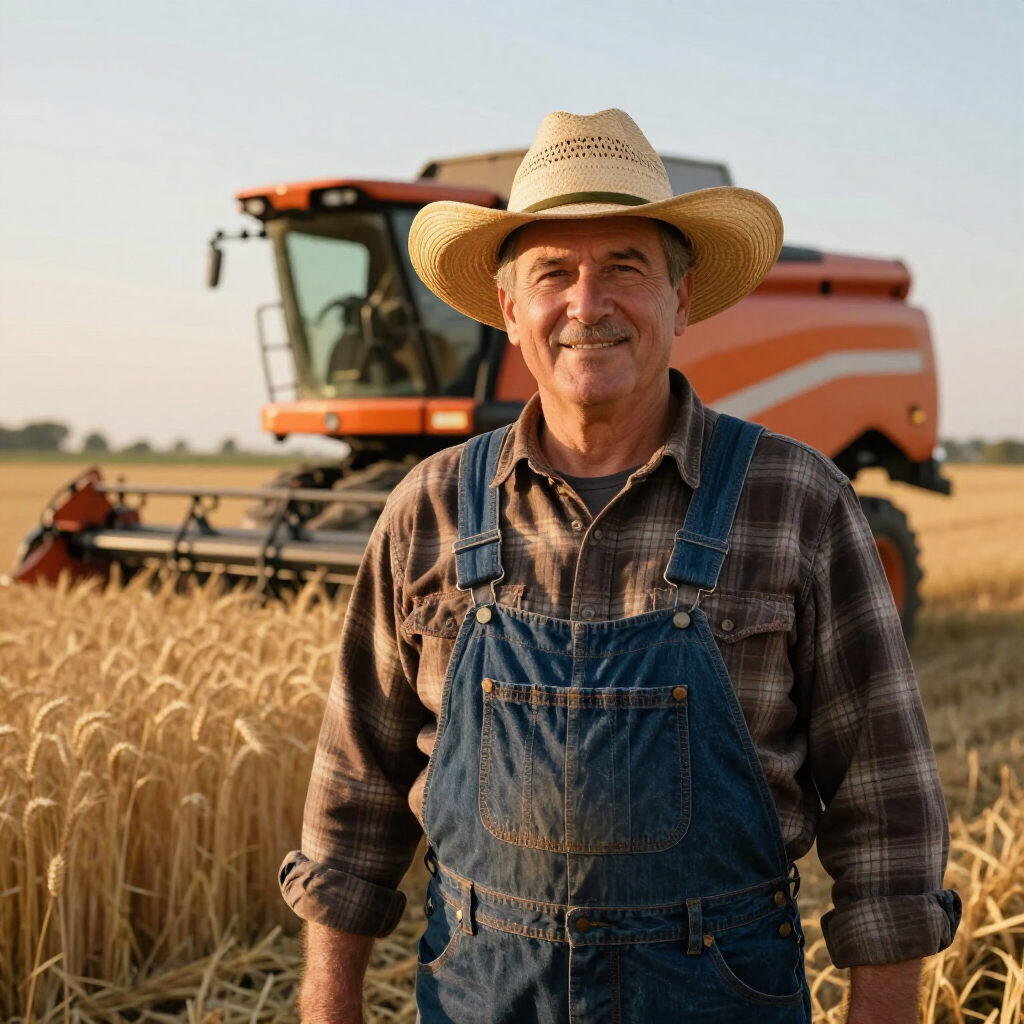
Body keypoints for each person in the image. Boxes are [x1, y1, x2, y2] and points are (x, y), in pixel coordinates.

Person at [280, 109, 960, 1024]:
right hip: (481, 998)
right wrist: (329, 999)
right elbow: (355, 789)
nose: (587, 303)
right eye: (553, 271)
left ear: (682, 298)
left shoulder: (798, 502)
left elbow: (887, 803)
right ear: (510, 307)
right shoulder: (427, 509)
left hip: (722, 997)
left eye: (625, 267)